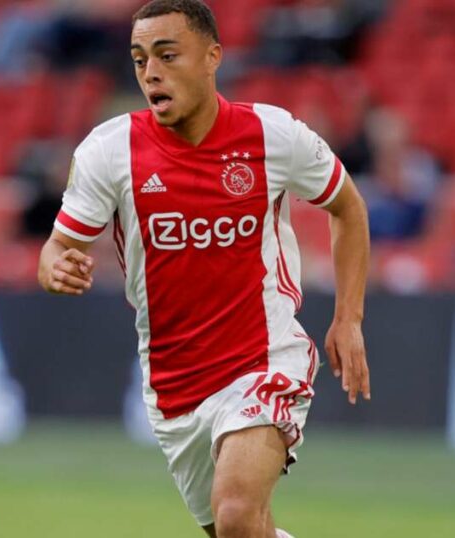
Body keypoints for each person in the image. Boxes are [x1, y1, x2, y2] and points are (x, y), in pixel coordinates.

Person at [36, 2, 372, 537]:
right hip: (174, 386)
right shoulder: (109, 151)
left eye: (167, 55)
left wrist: (348, 318)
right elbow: (56, 248)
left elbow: (348, 207)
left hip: (262, 358)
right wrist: (57, 268)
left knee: (236, 514)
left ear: (213, 57)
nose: (151, 72)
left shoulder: (272, 135)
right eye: (140, 59)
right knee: (243, 531)